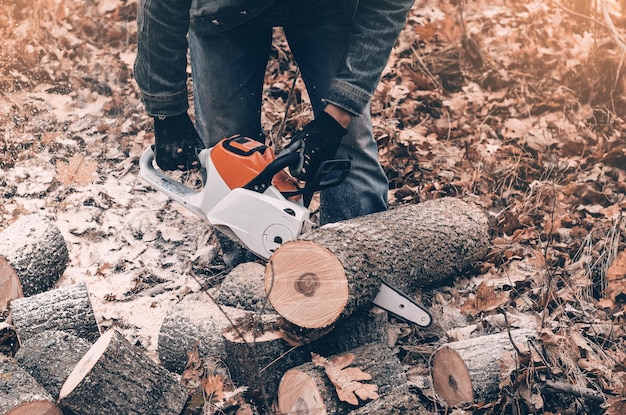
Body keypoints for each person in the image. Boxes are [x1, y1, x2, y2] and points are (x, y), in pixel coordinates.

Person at [134, 0, 415, 226]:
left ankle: (357, 261)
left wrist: (337, 117)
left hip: (326, 6)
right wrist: (167, 111)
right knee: (226, 148)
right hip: (224, 9)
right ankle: (250, 275)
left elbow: (387, 6)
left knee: (349, 145)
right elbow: (159, 6)